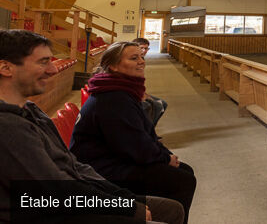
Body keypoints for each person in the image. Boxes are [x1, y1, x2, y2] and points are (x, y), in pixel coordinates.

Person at [0, 30, 184, 224]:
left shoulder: (31, 110)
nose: (53, 70)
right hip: (46, 211)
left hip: (70, 196)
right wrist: (126, 206)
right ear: (5, 68)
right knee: (168, 197)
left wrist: (122, 197)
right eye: (43, 62)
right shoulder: (8, 126)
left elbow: (74, 165)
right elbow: (56, 189)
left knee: (171, 209)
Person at [69, 42, 196, 223]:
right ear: (113, 66)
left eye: (141, 57)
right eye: (134, 58)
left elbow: (143, 134)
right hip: (100, 170)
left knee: (184, 171)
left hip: (113, 158)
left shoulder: (119, 90)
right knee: (182, 180)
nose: (141, 61)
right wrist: (165, 158)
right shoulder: (113, 97)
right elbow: (134, 145)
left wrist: (165, 155)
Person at [133, 37, 168, 127]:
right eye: (141, 48)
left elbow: (139, 80)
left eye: (146, 48)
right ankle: (146, 130)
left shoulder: (141, 59)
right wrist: (141, 95)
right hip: (130, 92)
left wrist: (144, 93)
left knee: (163, 104)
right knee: (153, 106)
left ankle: (150, 130)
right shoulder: (131, 61)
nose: (144, 51)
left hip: (137, 90)